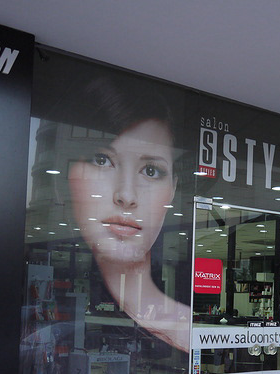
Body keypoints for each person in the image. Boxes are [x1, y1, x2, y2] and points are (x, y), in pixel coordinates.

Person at [68, 77, 190, 353]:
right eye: (102, 160)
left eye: (151, 171)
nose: (126, 195)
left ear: (173, 190)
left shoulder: (189, 336)